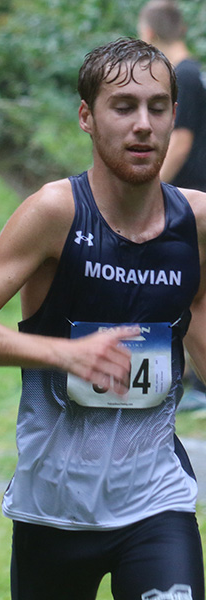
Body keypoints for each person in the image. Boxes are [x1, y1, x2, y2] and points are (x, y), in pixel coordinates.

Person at [0, 38, 206, 600]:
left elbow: (198, 312)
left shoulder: (196, 221)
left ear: (174, 116)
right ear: (87, 116)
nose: (143, 124)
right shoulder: (55, 212)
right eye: (123, 106)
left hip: (157, 500)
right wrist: (64, 353)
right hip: (52, 509)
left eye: (157, 108)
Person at [138, 0, 206, 412]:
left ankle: (187, 385)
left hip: (188, 199)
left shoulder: (184, 76)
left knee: (186, 292)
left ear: (153, 33)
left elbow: (180, 140)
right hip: (191, 197)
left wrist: (148, 188)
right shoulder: (195, 72)